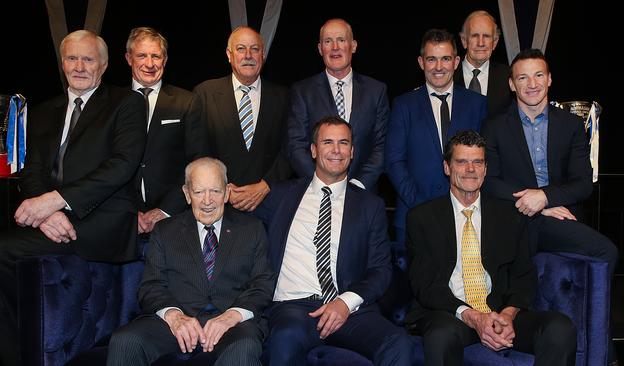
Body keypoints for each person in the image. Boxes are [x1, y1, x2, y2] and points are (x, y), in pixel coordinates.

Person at [0, 30, 146, 366]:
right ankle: (18, 350)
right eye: (71, 58)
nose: (79, 66)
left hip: (102, 223)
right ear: (62, 63)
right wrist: (47, 213)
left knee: (4, 250)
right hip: (54, 221)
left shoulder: (127, 103)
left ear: (105, 65)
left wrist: (56, 201)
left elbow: (121, 166)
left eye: (88, 59)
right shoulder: (44, 111)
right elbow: (33, 172)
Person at [481, 49, 619, 365]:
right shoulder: (494, 126)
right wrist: (534, 203)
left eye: (539, 75)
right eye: (523, 77)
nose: (532, 84)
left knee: (607, 251)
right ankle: (513, 338)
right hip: (515, 220)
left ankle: (598, 334)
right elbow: (490, 182)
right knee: (505, 275)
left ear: (550, 79)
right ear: (512, 84)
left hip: (559, 219)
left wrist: (545, 198)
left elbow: (584, 183)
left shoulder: (571, 125)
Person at [406, 130, 577, 366]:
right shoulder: (421, 217)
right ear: (447, 167)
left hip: (500, 313)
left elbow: (523, 276)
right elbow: (424, 284)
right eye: (462, 162)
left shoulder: (509, 215)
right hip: (452, 314)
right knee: (440, 336)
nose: (470, 169)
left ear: (485, 169)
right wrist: (474, 317)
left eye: (477, 162)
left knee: (560, 328)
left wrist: (507, 315)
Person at [255, 116, 412, 366]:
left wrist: (345, 302)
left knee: (398, 343)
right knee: (284, 339)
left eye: (343, 143)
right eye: (328, 142)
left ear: (352, 151)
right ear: (314, 150)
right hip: (294, 307)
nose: (336, 150)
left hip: (349, 308)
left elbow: (381, 270)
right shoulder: (281, 196)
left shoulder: (370, 206)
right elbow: (231, 215)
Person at [107, 157, 275, 366]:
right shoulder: (165, 230)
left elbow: (262, 285)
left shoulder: (252, 229)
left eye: (215, 191)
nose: (207, 200)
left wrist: (232, 316)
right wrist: (174, 316)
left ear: (227, 193)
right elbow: (151, 286)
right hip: (176, 324)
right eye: (198, 192)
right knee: (125, 340)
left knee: (244, 347)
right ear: (187, 194)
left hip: (231, 326)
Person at [385, 28, 487, 242]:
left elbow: (485, 159)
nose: (439, 67)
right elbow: (394, 162)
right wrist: (423, 206)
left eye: (446, 59)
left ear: (456, 62)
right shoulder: (403, 105)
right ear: (421, 62)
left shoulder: (477, 104)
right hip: (414, 217)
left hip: (468, 217)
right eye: (432, 59)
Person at [194, 26, 290, 212]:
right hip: (218, 203)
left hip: (270, 203)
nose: (248, 55)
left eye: (255, 49)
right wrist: (222, 185)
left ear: (263, 55)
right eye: (240, 49)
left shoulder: (284, 97)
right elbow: (198, 148)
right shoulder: (204, 94)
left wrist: (265, 185)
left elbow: (290, 149)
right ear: (229, 55)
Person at [286, 18, 389, 191]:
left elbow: (382, 145)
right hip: (315, 192)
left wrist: (358, 184)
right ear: (320, 48)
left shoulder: (376, 91)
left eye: (341, 40)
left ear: (353, 46)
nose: (335, 47)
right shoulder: (302, 91)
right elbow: (295, 145)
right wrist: (322, 183)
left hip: (363, 194)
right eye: (328, 41)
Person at [125, 26, 207, 234]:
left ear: (165, 60)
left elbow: (197, 162)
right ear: (129, 58)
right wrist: (125, 211)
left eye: (156, 56)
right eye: (142, 55)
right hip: (123, 221)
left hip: (174, 220)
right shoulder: (113, 103)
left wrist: (165, 210)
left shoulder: (187, 102)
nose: (150, 64)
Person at [454, 10, 512, 118]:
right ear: (464, 40)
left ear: (494, 42)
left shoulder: (509, 76)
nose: (481, 43)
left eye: (486, 36)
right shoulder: (448, 75)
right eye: (475, 36)